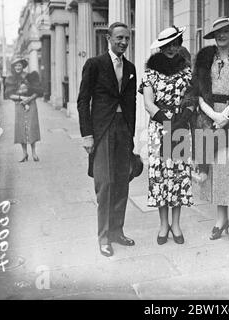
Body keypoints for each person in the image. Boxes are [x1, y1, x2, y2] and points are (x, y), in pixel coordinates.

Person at [188, 17, 229, 246]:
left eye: (225, 31)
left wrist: (226, 114)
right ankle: (220, 221)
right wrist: (213, 115)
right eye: (218, 33)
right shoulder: (205, 59)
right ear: (213, 37)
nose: (222, 35)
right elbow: (198, 91)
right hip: (210, 119)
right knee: (216, 170)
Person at [77, 22, 138, 257]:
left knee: (122, 181)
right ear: (108, 38)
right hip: (102, 130)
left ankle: (116, 232)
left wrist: (131, 134)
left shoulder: (130, 67)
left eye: (127, 38)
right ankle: (103, 237)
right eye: (119, 37)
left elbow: (130, 102)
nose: (123, 42)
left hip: (123, 131)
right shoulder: (95, 64)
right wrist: (87, 134)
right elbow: (83, 100)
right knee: (105, 184)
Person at [139, 26, 194, 245]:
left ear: (180, 44)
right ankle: (163, 225)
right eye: (167, 45)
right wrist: (166, 120)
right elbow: (148, 103)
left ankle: (176, 224)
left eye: (175, 44)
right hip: (159, 127)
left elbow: (191, 98)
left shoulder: (187, 71)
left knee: (179, 174)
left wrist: (183, 118)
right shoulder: (150, 73)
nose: (171, 49)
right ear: (160, 48)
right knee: (160, 175)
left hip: (180, 125)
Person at [4, 57, 43, 162]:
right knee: (21, 128)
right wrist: (22, 98)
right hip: (19, 104)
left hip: (31, 104)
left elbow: (38, 91)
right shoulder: (10, 79)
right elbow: (9, 95)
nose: (18, 67)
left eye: (19, 65)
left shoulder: (31, 76)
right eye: (16, 65)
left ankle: (34, 153)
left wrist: (29, 99)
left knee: (32, 126)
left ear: (23, 66)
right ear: (13, 67)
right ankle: (24, 153)